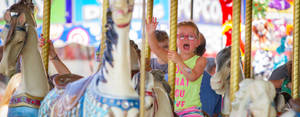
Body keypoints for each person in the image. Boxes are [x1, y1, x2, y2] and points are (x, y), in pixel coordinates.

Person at [146, 17, 208, 116]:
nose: (186, 38)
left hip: (191, 110)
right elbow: (156, 48)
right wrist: (150, 33)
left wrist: (178, 61)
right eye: (181, 36)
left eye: (191, 36)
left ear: (197, 42)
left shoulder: (200, 60)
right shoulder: (172, 57)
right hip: (170, 108)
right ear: (175, 41)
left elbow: (192, 76)